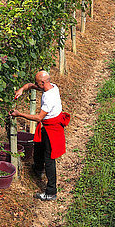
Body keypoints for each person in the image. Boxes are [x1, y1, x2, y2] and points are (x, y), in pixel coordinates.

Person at [10, 70, 70, 201]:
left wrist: (19, 114)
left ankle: (51, 192)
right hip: (48, 127)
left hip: (52, 129)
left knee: (49, 159)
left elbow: (38, 118)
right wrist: (22, 89)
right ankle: (38, 169)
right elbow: (31, 85)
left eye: (38, 83)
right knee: (38, 146)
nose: (36, 85)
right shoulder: (52, 86)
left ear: (43, 83)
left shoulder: (49, 97)